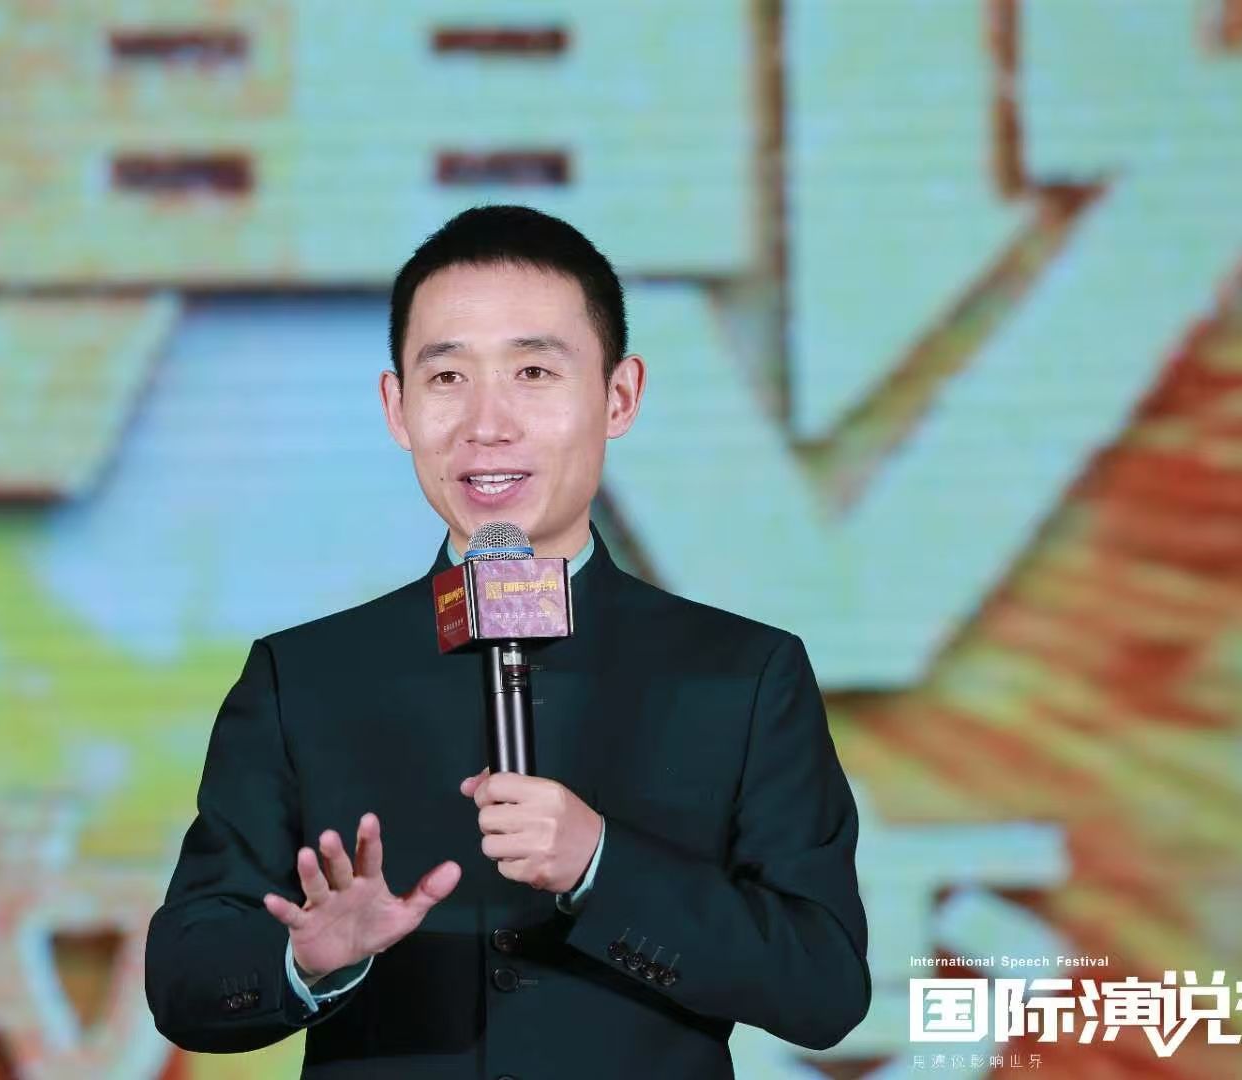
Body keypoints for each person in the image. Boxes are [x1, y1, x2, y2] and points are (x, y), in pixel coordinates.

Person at [145, 205, 871, 1078]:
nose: (486, 424)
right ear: (397, 407)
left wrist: (601, 866)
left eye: (533, 371)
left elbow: (824, 987)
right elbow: (184, 979)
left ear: (619, 396)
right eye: (447, 377)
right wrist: (306, 961)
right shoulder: (300, 677)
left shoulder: (742, 675)